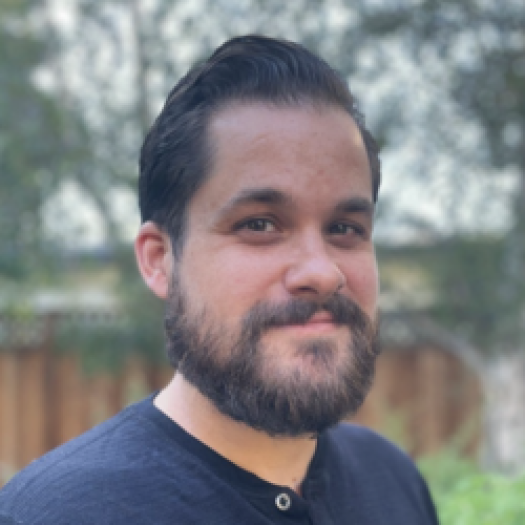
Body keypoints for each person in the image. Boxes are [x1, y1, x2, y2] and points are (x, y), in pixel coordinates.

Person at [0, 35, 439, 524]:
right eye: (259, 225)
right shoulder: (62, 515)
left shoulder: (391, 480)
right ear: (160, 259)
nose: (321, 271)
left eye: (344, 229)